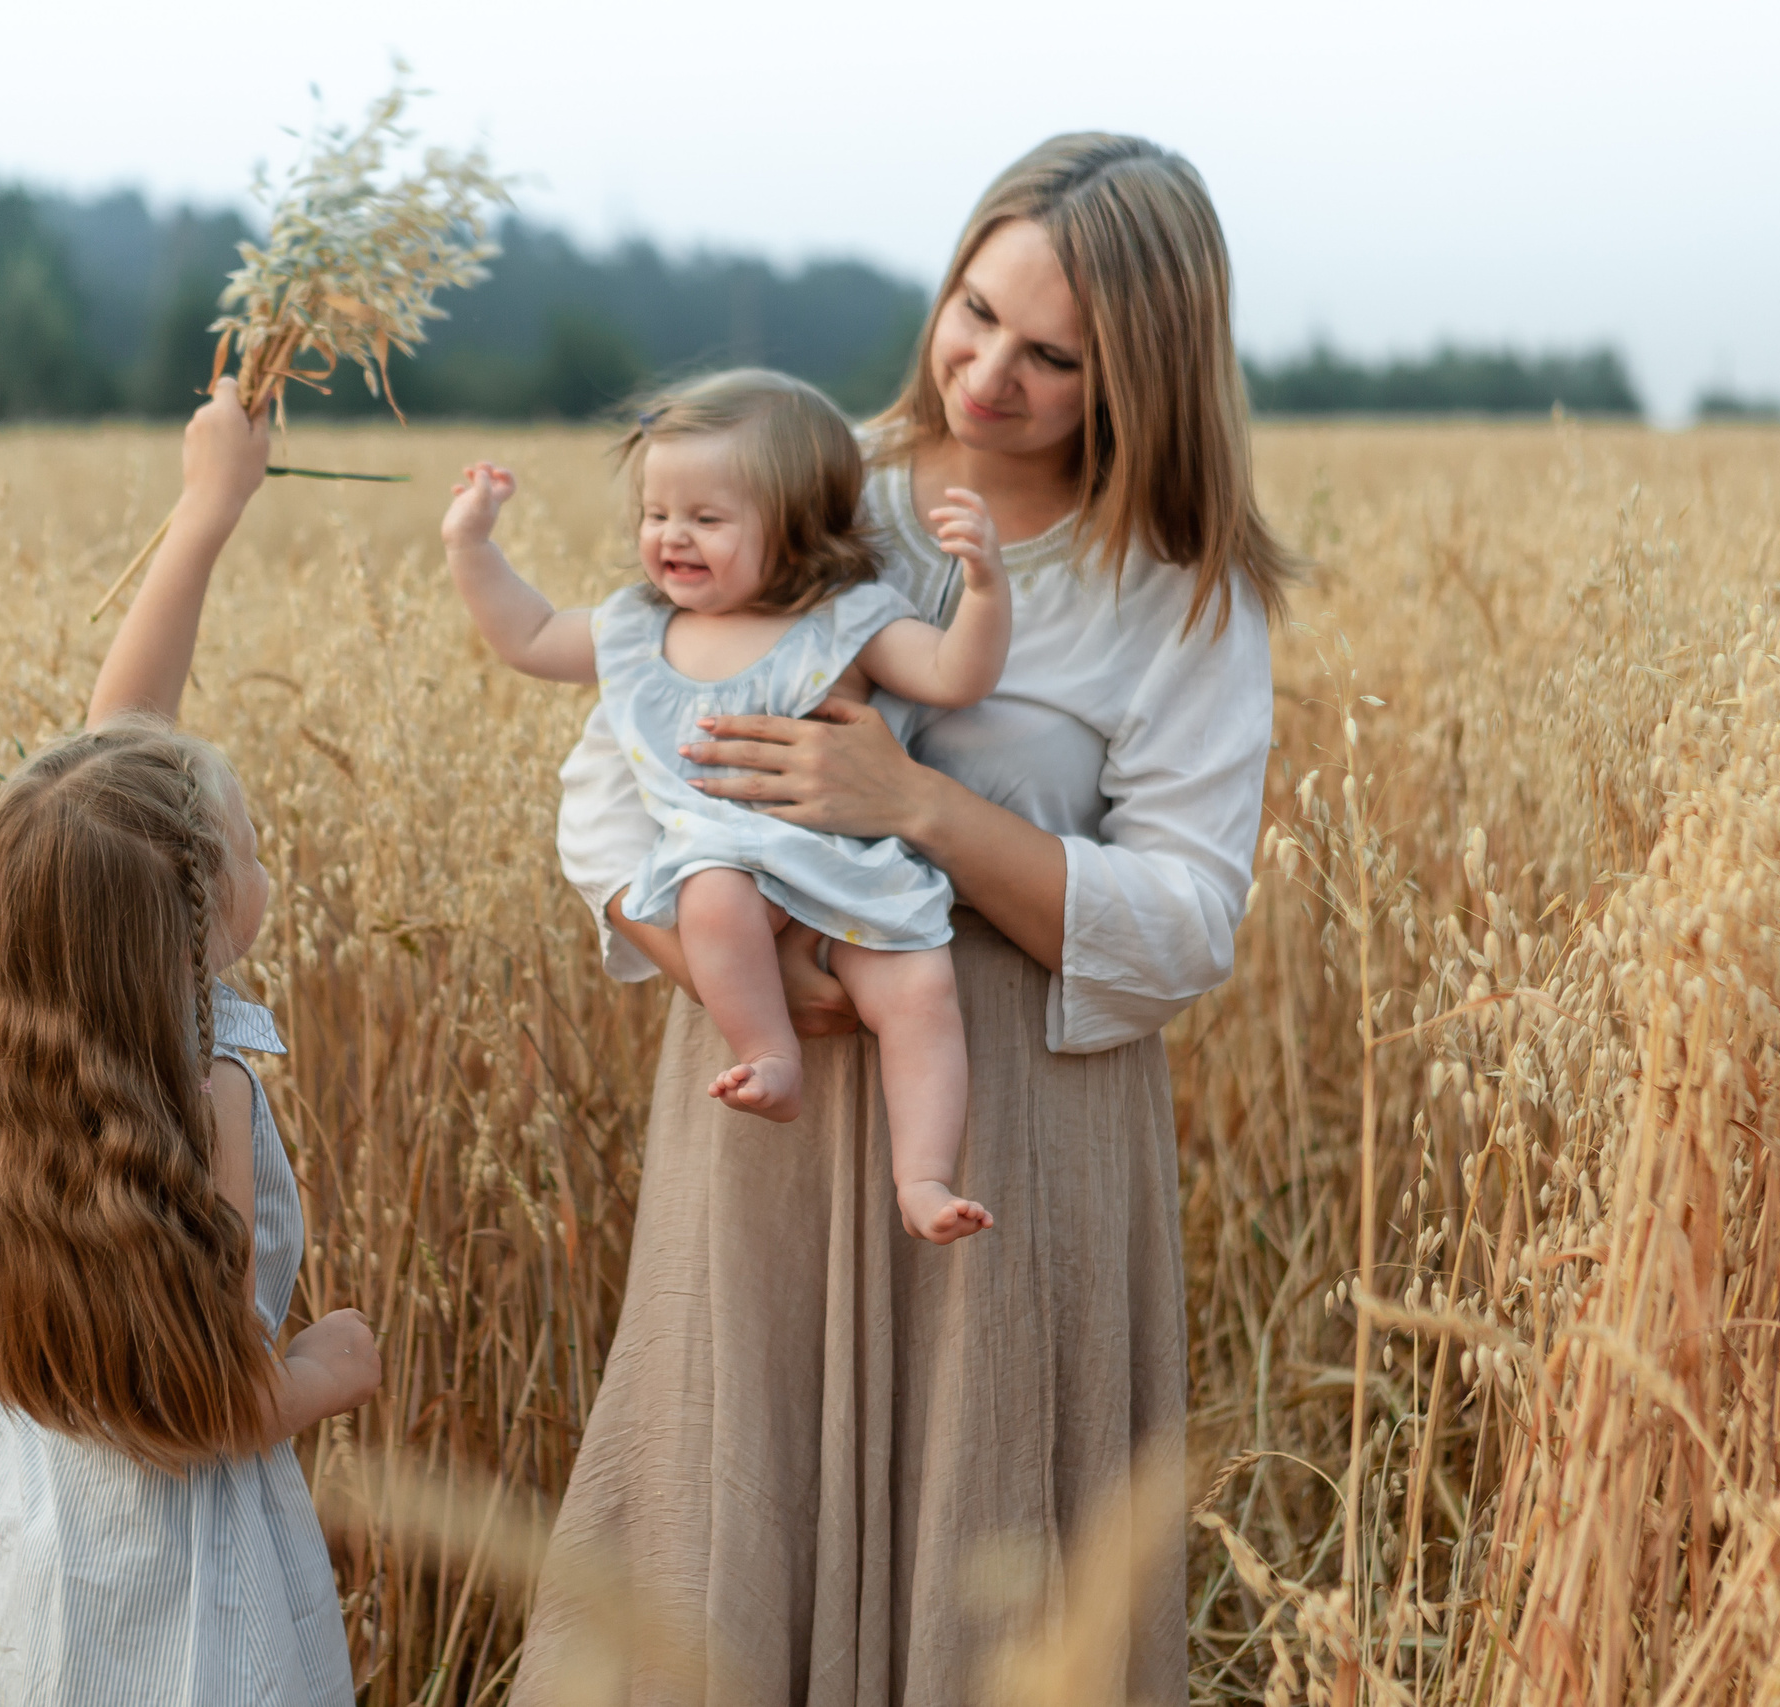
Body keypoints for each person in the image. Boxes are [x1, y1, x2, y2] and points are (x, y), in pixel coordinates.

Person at [519, 134, 1291, 1705]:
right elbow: (610, 793)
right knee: (718, 1557)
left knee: (991, 1588)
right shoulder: (818, 493)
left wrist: (923, 806)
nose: (989, 373)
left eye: (1053, 355)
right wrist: (768, 981)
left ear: (1143, 374)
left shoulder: (1179, 588)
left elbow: (1191, 916)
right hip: (770, 1113)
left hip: (1015, 1145)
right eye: (973, 312)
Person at [0, 379, 380, 1705]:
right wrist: (324, 1367)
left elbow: (112, 754)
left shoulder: (26, 1035)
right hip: (188, 1579)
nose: (265, 855)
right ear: (190, 924)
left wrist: (207, 510)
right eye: (247, 845)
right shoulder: (212, 1091)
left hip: (48, 1544)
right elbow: (201, 1406)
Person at [440, 369, 1014, 1243]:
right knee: (710, 891)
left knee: (922, 989)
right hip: (730, 872)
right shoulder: (637, 627)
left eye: (707, 518)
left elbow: (956, 675)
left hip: (846, 866)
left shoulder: (848, 621)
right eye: (656, 513)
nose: (672, 535)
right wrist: (472, 546)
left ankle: (925, 1175)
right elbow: (524, 635)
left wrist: (982, 592)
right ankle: (769, 1051)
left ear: (798, 528)